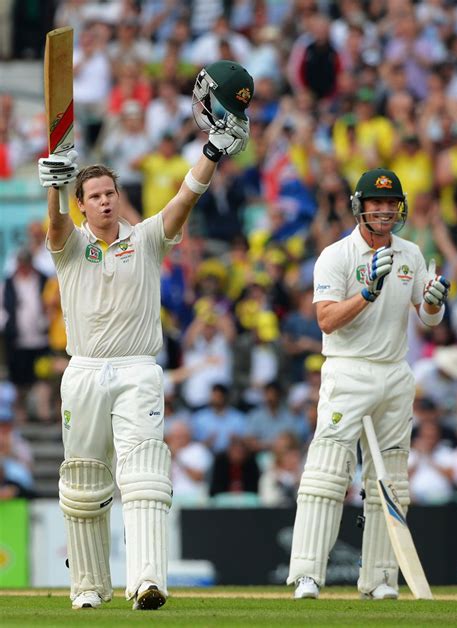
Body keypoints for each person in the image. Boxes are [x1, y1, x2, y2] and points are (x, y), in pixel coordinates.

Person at [37, 60, 253, 611]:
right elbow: (57, 227)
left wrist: (210, 152)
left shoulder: (148, 238)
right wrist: (57, 190)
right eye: (96, 196)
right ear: (85, 205)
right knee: (84, 483)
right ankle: (87, 587)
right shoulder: (70, 244)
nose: (106, 200)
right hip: (83, 370)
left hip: (136, 367)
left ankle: (147, 582)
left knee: (145, 473)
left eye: (111, 192)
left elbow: (183, 201)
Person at [287, 168, 451, 601]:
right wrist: (368, 291)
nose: (384, 210)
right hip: (348, 370)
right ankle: (307, 574)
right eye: (376, 203)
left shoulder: (411, 254)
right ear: (360, 206)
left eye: (391, 203)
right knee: (327, 472)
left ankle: (379, 578)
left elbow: (426, 316)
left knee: (390, 480)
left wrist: (434, 306)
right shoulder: (336, 256)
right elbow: (326, 319)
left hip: (394, 373)